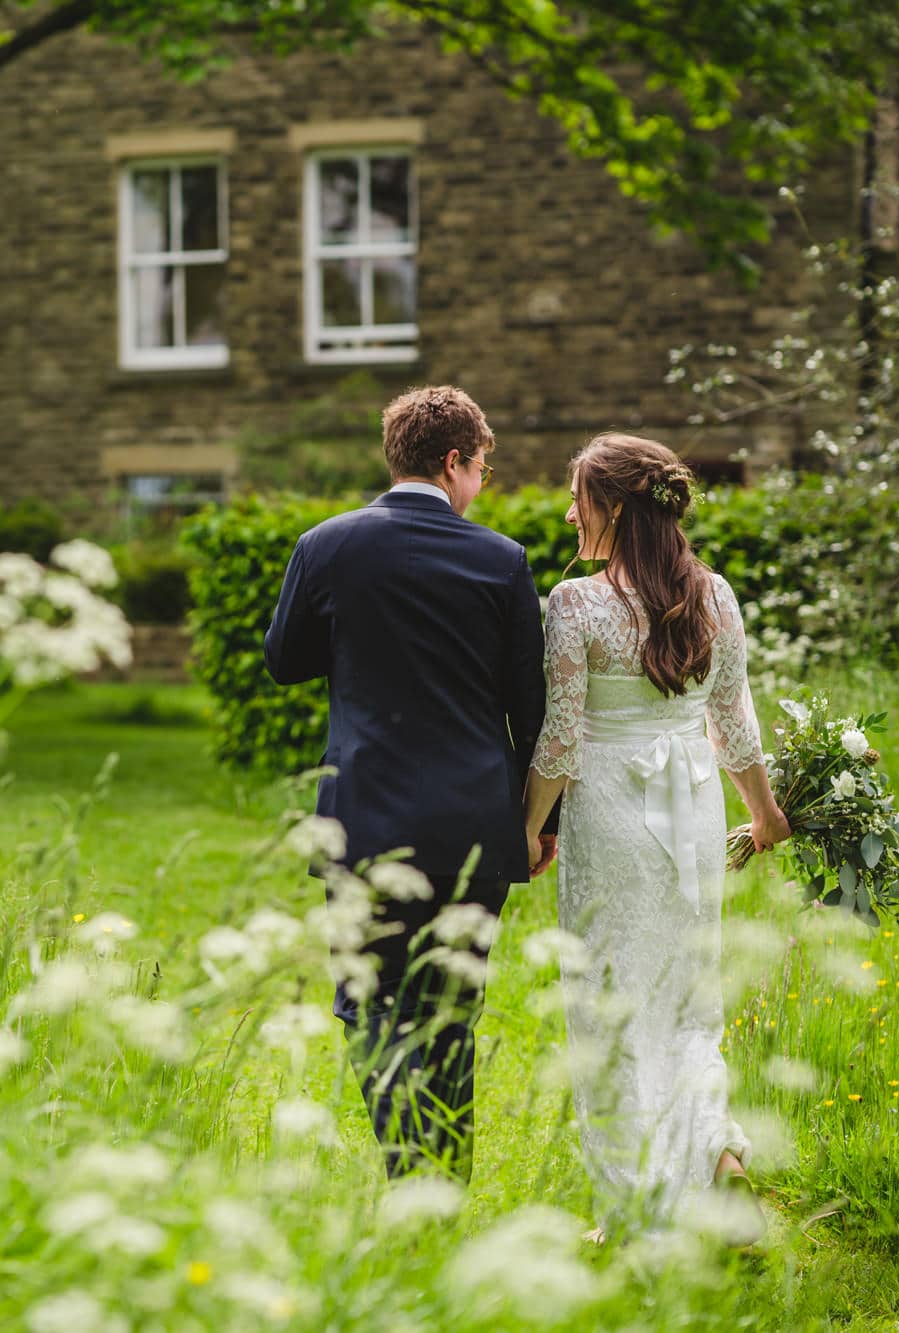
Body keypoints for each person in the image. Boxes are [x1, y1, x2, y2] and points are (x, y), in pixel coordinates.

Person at [263, 385, 552, 1179]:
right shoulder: (502, 561)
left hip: (365, 820)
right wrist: (540, 825)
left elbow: (284, 659)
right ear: (453, 460)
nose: (481, 485)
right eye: (482, 468)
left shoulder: (326, 545)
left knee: (371, 1001)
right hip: (474, 828)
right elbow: (535, 710)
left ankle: (407, 1173)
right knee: (453, 1010)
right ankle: (445, 1178)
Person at [520, 432, 791, 1240]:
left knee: (609, 1009)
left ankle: (635, 1212)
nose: (570, 513)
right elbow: (734, 724)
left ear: (612, 507)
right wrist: (767, 811)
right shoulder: (716, 594)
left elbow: (561, 743)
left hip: (611, 817)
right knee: (686, 1003)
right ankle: (716, 1154)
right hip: (697, 815)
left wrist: (524, 832)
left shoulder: (574, 604)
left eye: (579, 499)